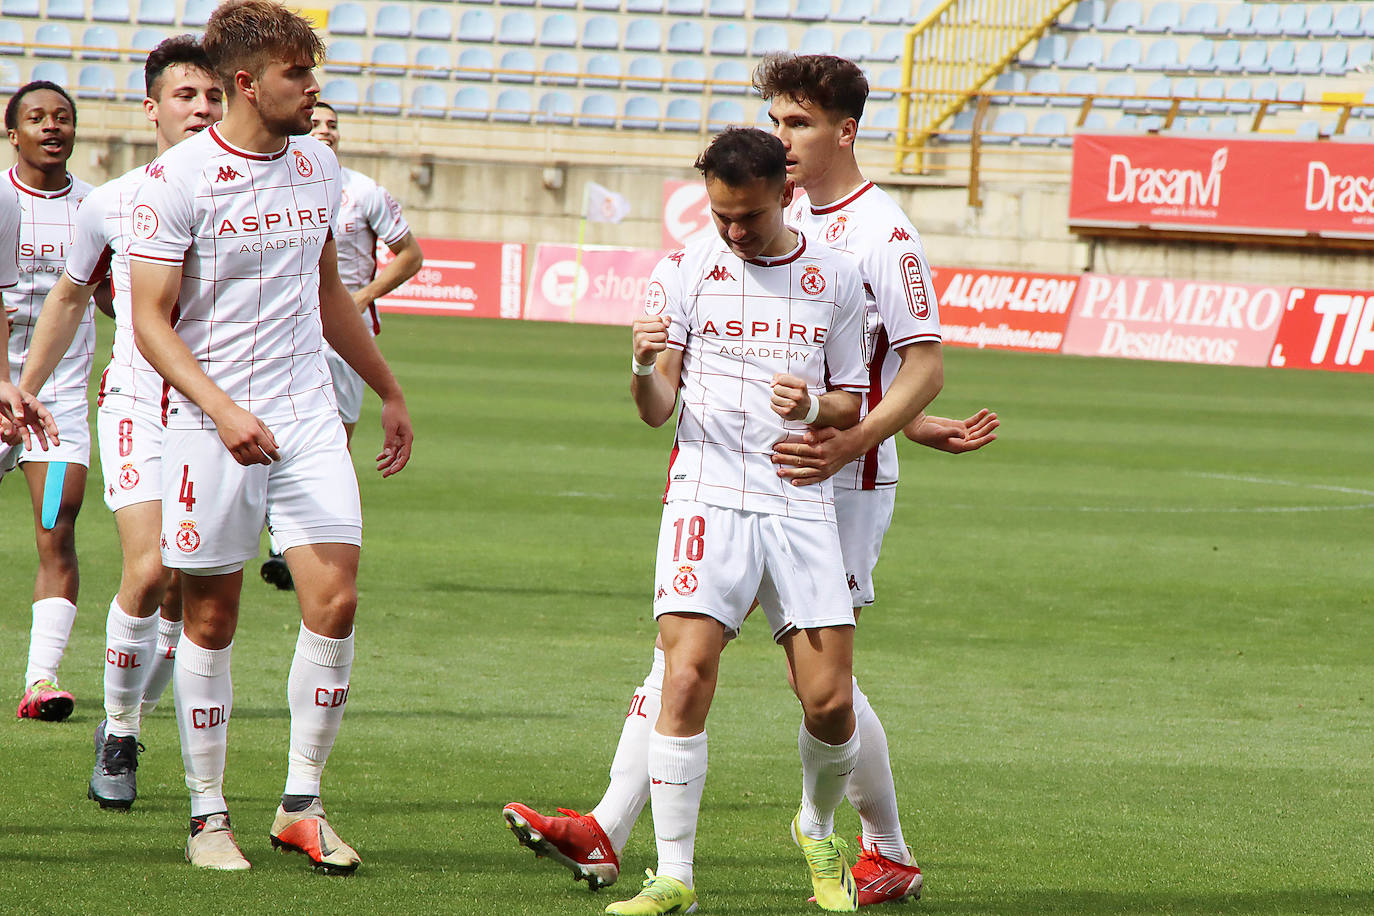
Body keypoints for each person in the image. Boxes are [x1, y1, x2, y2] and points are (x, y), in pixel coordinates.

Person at [503, 54, 998, 908]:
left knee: (824, 683)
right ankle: (619, 835)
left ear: (844, 130)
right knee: (685, 655)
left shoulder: (881, 234)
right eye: (775, 122)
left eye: (798, 123)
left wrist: (867, 436)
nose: (783, 138)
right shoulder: (731, 234)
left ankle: (882, 846)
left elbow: (914, 364)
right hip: (730, 470)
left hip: (834, 478)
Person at [127, 0, 413, 872]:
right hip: (208, 426)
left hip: (305, 419)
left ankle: (300, 801)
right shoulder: (173, 182)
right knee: (210, 618)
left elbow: (329, 293)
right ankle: (208, 816)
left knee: (336, 602)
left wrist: (389, 390)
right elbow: (149, 322)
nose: (313, 87)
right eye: (297, 73)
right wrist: (219, 409)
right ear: (246, 82)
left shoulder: (320, 166)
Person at [603, 126, 870, 915]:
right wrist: (641, 363)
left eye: (748, 216)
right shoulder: (684, 269)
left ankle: (817, 827)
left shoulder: (837, 276)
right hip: (706, 491)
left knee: (829, 702)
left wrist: (815, 405)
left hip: (798, 498)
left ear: (787, 194)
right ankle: (674, 874)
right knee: (684, 674)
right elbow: (656, 412)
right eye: (721, 215)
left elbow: (853, 398)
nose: (734, 230)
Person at [19, 36, 223, 810]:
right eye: (184, 96)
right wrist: (24, 388)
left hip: (224, 416)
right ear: (153, 108)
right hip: (139, 404)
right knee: (148, 570)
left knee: (186, 586)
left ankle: (140, 712)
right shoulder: (111, 202)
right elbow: (70, 298)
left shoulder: (255, 199)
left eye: (211, 96)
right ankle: (120, 728)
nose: (200, 109)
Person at [256, 100, 423, 592]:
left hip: (345, 339)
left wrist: (363, 297)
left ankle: (306, 541)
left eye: (334, 124)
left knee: (334, 442)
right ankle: (278, 545)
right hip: (284, 331)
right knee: (274, 429)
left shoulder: (365, 193)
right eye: (319, 121)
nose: (325, 129)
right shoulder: (274, 183)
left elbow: (410, 255)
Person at [4, 80, 95, 723]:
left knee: (56, 527)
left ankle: (42, 680)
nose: (51, 127)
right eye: (36, 117)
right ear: (14, 134)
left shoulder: (99, 208)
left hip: (56, 400)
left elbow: (121, 295)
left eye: (62, 117)